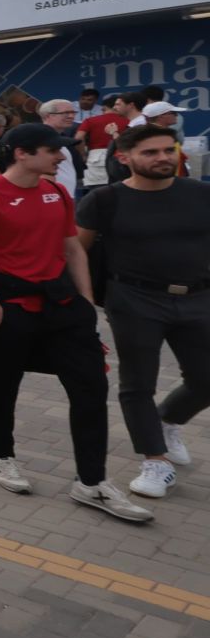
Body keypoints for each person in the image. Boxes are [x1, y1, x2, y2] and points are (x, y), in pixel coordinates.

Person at [0, 124, 151, 522]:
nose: (62, 156)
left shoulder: (56, 191)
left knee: (91, 386)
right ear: (22, 154)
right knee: (4, 382)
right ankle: (2, 456)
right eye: (52, 150)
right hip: (10, 307)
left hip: (62, 306)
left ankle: (91, 482)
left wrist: (84, 302)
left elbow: (72, 249)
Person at [78, 123, 209, 498]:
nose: (163, 158)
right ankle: (155, 461)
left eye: (169, 150)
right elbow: (75, 252)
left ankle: (168, 421)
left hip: (198, 298)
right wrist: (83, 302)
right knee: (138, 383)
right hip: (134, 300)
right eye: (150, 152)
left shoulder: (200, 194)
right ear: (125, 158)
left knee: (206, 379)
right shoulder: (105, 200)